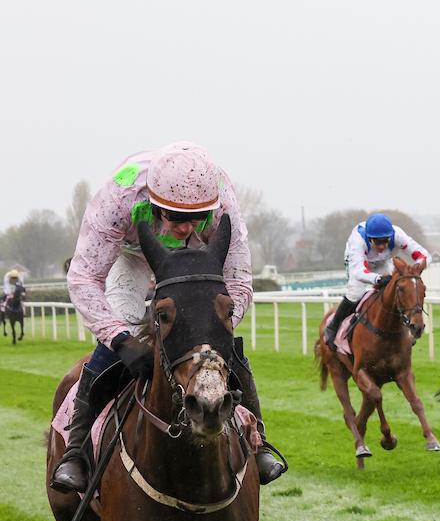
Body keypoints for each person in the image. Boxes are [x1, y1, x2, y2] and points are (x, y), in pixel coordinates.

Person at [50, 141, 285, 494]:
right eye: (176, 217)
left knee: (220, 339)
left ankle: (259, 443)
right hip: (131, 256)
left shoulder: (222, 200)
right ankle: (75, 451)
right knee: (120, 331)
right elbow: (84, 279)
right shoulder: (119, 197)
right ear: (155, 203)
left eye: (196, 218)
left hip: (197, 259)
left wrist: (212, 328)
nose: (186, 227)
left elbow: (238, 282)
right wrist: (120, 340)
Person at [324, 213, 430, 347]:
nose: (381, 246)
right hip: (360, 263)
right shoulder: (358, 241)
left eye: (385, 241)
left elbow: (424, 255)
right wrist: (378, 279)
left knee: (394, 291)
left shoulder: (398, 235)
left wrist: (417, 266)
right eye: (377, 241)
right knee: (355, 293)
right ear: (369, 238)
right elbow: (359, 272)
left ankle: (406, 329)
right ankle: (333, 326)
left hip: (383, 261)